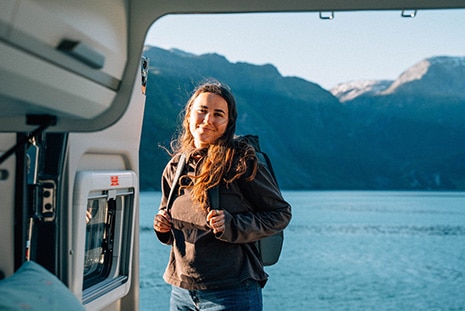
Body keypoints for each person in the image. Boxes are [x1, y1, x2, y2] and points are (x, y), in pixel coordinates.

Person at [153, 80, 291, 311]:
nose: (208, 120)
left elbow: (280, 214)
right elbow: (169, 221)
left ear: (228, 123)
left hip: (232, 291)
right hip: (182, 291)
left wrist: (232, 224)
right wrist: (162, 227)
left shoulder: (242, 162)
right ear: (189, 115)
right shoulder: (175, 166)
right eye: (202, 111)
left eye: (218, 114)